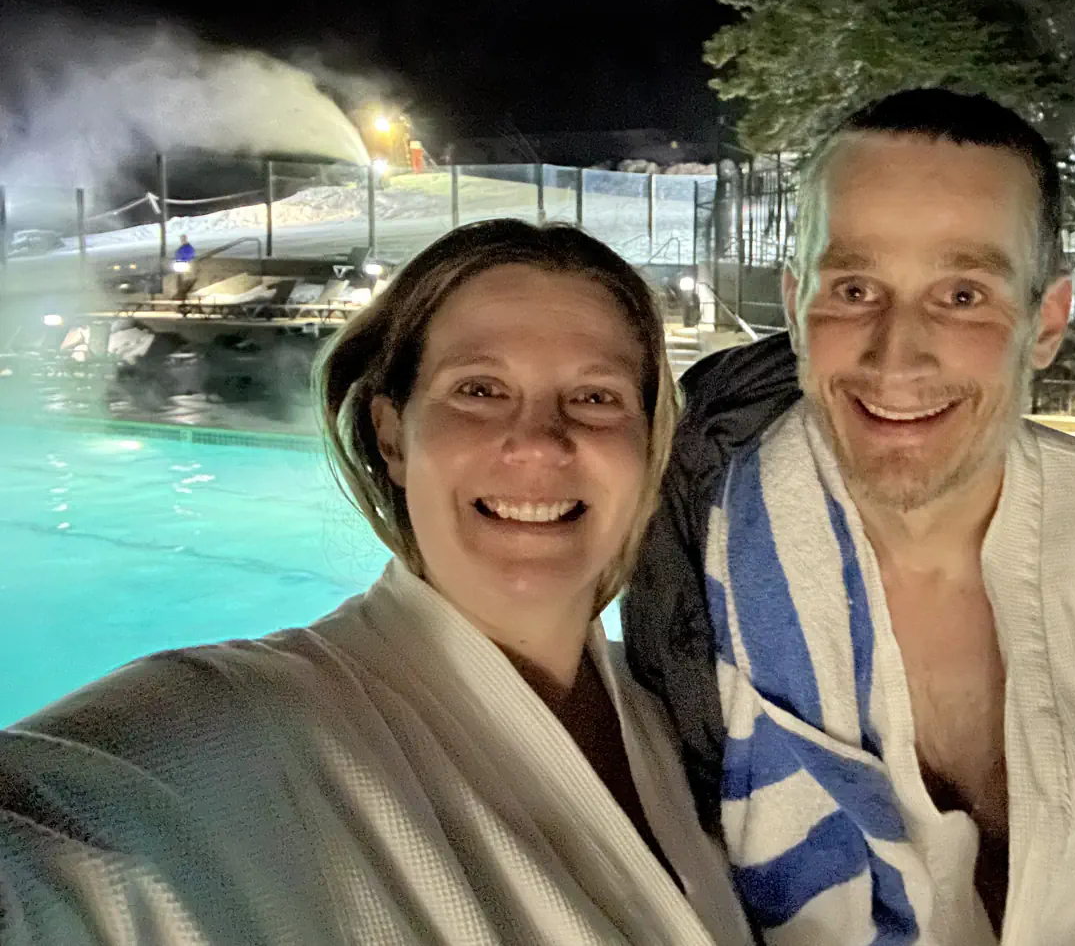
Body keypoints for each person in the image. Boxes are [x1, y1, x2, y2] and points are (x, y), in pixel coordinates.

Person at [625, 88, 1075, 945]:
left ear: (1046, 323)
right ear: (795, 309)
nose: (897, 354)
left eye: (963, 294)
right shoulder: (694, 563)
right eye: (853, 288)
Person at [0, 220, 753, 946]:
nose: (538, 442)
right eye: (479, 389)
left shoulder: (683, 715)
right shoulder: (250, 725)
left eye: (595, 397)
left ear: (648, 440)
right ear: (392, 435)